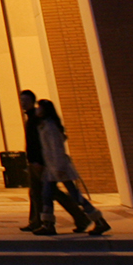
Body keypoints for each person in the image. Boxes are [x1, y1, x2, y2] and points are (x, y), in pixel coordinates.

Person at [34, 99, 110, 237]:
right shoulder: (46, 126)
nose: (37, 110)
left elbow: (56, 148)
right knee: (47, 195)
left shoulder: (50, 127)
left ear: (45, 110)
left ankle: (98, 221)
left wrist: (58, 167)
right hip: (53, 168)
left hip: (58, 168)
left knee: (73, 196)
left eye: (39, 107)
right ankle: (48, 224)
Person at [18, 89, 89, 233]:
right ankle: (36, 222)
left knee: (52, 193)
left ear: (33, 101)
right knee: (35, 193)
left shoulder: (39, 120)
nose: (23, 103)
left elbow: (42, 143)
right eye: (21, 100)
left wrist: (39, 161)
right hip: (35, 162)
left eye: (25, 101)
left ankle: (81, 217)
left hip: (42, 163)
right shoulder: (32, 119)